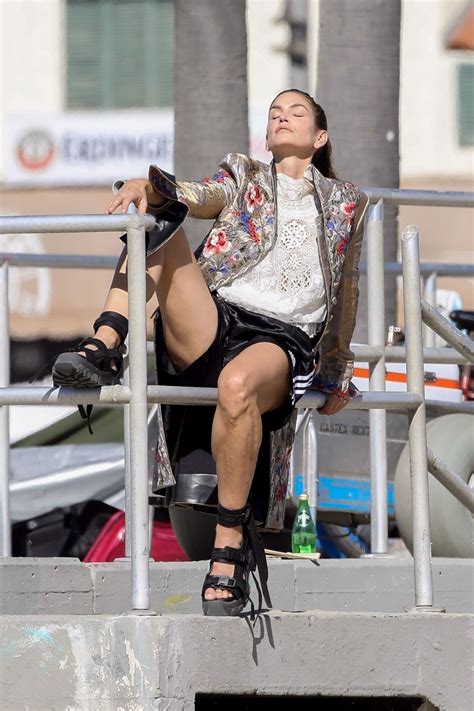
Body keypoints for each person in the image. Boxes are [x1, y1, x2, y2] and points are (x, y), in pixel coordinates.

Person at [51, 89, 368, 617]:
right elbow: (196, 194)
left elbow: (347, 289)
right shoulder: (244, 175)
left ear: (319, 137)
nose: (282, 118)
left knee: (238, 384)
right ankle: (103, 343)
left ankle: (228, 547)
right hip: (219, 316)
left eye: (296, 113)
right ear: (267, 135)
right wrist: (152, 189)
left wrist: (337, 369)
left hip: (281, 336)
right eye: (274, 113)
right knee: (159, 221)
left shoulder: (346, 203)